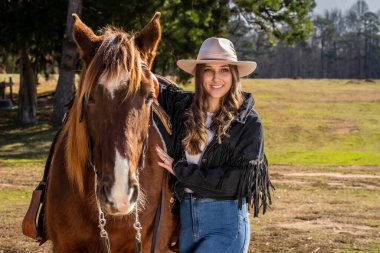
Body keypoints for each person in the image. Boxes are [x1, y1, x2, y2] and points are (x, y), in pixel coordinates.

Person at [155, 37, 273, 253]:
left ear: (234, 75)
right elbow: (148, 82)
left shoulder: (248, 123)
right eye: (208, 70)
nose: (216, 78)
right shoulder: (182, 109)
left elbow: (236, 183)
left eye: (224, 70)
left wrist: (180, 170)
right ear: (199, 75)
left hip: (226, 223)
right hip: (186, 221)